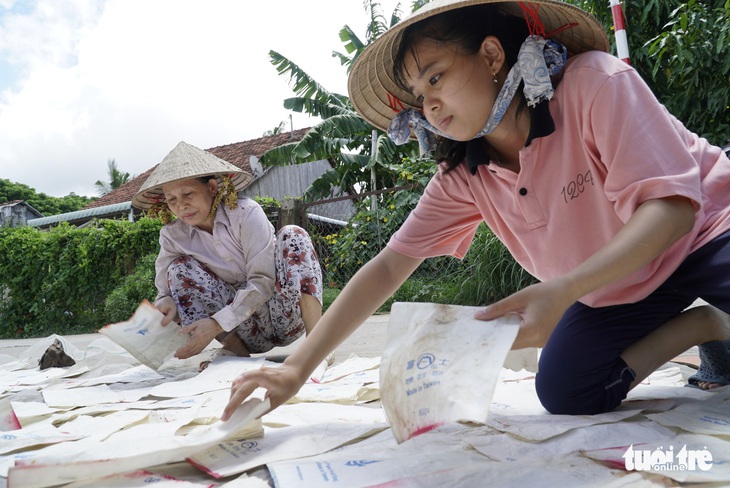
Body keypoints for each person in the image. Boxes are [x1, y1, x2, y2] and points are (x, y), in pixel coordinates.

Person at [222, 0, 730, 420]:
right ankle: (708, 326)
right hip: (618, 284)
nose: (430, 107)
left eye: (436, 78)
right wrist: (298, 367)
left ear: (491, 56)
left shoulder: (594, 84)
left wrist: (566, 290)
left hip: (708, 232)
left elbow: (671, 211)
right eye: (419, 96)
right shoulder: (464, 174)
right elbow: (388, 267)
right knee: (568, 393)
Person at [132, 141, 324, 365]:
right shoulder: (172, 236)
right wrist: (166, 304)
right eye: (172, 199)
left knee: (294, 235)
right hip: (241, 333)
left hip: (285, 316)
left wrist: (215, 323)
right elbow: (165, 291)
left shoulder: (246, 214)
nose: (181, 206)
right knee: (178, 269)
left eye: (188, 194)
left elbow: (262, 281)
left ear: (212, 188)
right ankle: (236, 356)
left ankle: (319, 345)